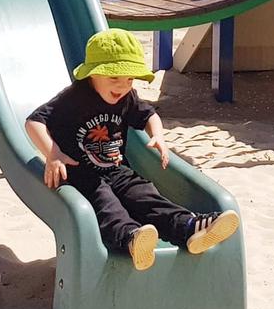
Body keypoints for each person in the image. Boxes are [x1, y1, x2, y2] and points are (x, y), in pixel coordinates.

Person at [26, 29, 240, 271]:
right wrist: (53, 154)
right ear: (93, 74)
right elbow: (34, 121)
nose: (122, 86)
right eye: (114, 78)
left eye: (129, 79)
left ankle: (189, 227)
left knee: (145, 194)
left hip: (117, 168)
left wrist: (157, 136)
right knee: (105, 202)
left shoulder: (126, 97)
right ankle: (130, 239)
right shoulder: (74, 97)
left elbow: (150, 115)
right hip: (80, 172)